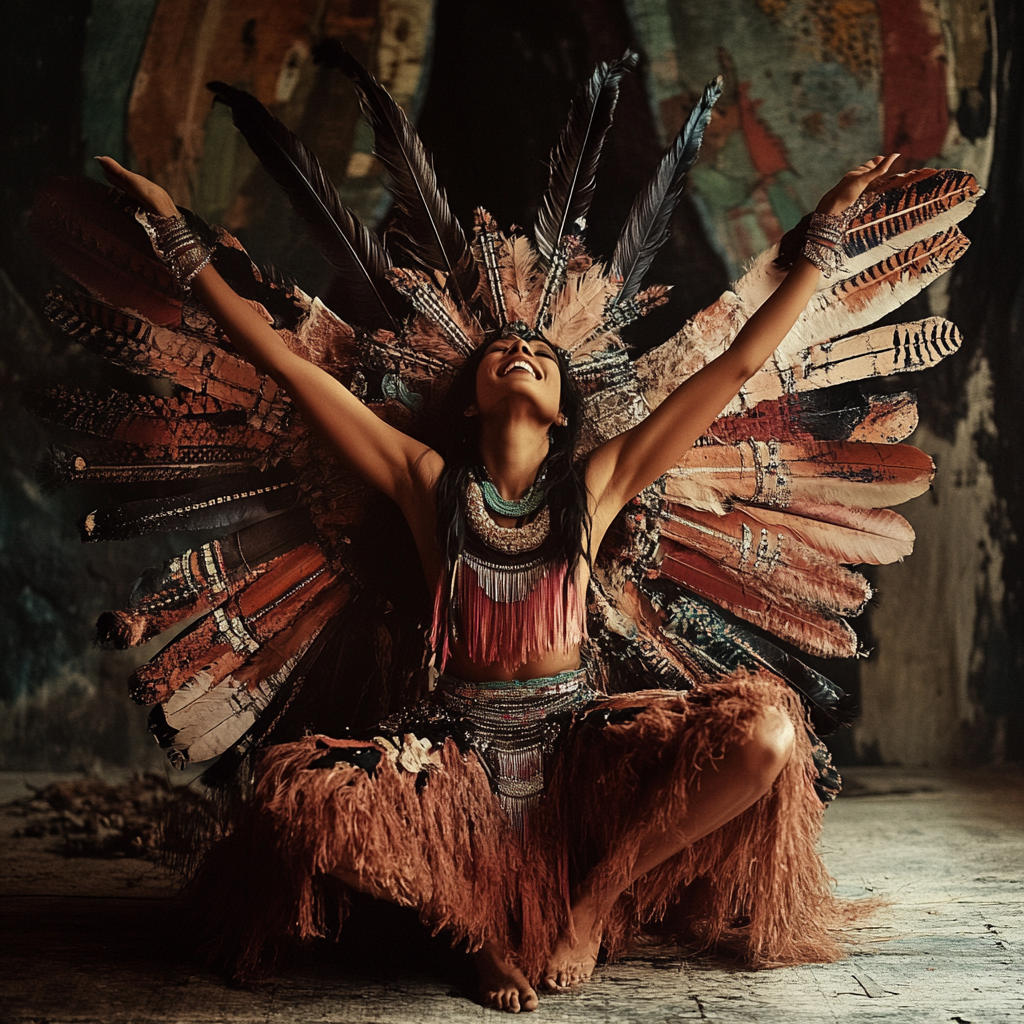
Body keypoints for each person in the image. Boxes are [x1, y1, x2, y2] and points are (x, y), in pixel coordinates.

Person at [94, 149, 897, 1013]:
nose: (518, 349)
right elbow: (292, 370)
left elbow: (737, 367)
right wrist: (177, 236)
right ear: (472, 400)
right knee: (295, 801)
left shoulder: (600, 481)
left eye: (539, 354)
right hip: (455, 750)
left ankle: (590, 905)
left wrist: (830, 228)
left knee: (766, 742)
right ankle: (474, 929)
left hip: (577, 748)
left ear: (560, 410)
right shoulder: (425, 479)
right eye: (501, 349)